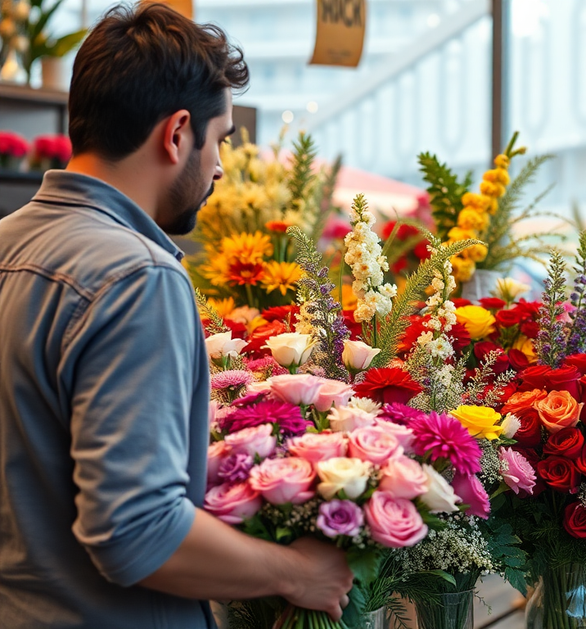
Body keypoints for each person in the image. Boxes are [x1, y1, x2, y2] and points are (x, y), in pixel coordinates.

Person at [0, 5, 352, 628]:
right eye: (218, 141)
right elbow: (136, 530)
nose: (217, 167)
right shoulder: (139, 276)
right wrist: (298, 572)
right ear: (177, 132)